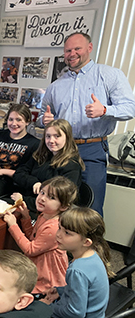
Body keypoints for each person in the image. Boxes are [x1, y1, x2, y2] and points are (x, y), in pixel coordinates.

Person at [39, 32, 135, 215]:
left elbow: (130, 108)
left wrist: (105, 111)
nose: (72, 53)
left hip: (93, 149)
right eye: (68, 50)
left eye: (77, 49)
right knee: (58, 202)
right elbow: (43, 116)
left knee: (90, 207)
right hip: (61, 150)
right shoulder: (56, 86)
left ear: (89, 48)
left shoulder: (110, 75)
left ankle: (90, 243)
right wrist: (44, 120)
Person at [42, 206, 113, 318]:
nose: (58, 234)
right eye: (59, 228)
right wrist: (60, 291)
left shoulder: (77, 271)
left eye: (67, 233)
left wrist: (48, 307)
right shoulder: (93, 255)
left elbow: (75, 312)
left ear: (86, 242)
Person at [3, 176, 77, 293]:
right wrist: (26, 217)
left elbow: (30, 249)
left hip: (48, 281)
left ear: (63, 207)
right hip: (38, 267)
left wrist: (13, 225)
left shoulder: (54, 227)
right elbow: (32, 237)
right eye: (42, 193)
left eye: (51, 197)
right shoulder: (44, 215)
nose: (42, 198)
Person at [13, 119, 85, 216]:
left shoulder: (71, 166)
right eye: (48, 136)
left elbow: (58, 202)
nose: (51, 141)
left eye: (57, 136)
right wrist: (34, 183)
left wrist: (23, 199)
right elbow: (18, 174)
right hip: (28, 201)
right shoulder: (41, 156)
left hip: (47, 212)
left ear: (67, 138)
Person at [0, 103, 40, 198]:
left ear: (27, 122)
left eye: (18, 120)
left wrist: (2, 171)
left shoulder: (34, 144)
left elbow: (26, 175)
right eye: (11, 119)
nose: (14, 124)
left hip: (5, 181)